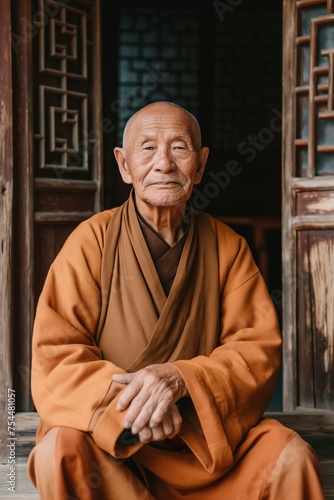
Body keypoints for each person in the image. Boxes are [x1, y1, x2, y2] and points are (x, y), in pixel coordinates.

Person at [28, 101, 324, 499]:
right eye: (147, 148)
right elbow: (57, 356)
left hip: (201, 441)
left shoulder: (226, 247)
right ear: (124, 165)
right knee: (57, 451)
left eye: (179, 148)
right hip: (112, 442)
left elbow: (256, 349)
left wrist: (183, 381)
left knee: (289, 456)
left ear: (200, 165)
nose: (164, 164)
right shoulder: (91, 242)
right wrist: (143, 407)